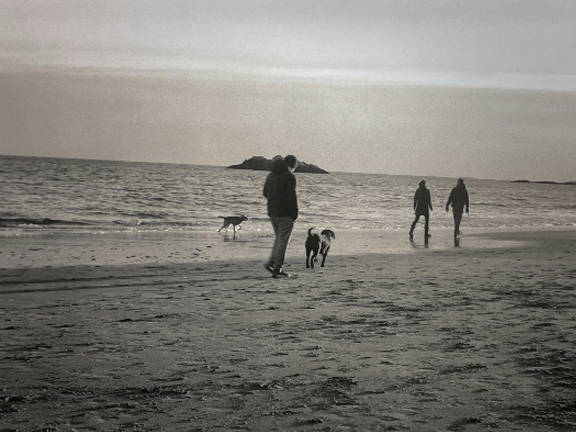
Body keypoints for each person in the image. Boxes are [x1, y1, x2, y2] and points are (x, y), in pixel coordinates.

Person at [263, 155, 299, 278]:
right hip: (285, 213)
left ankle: (271, 262)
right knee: (283, 240)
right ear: (292, 165)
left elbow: (265, 193)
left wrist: (274, 200)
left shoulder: (271, 175)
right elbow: (291, 197)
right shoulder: (290, 176)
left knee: (279, 238)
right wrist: (294, 214)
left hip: (272, 211)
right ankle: (277, 269)